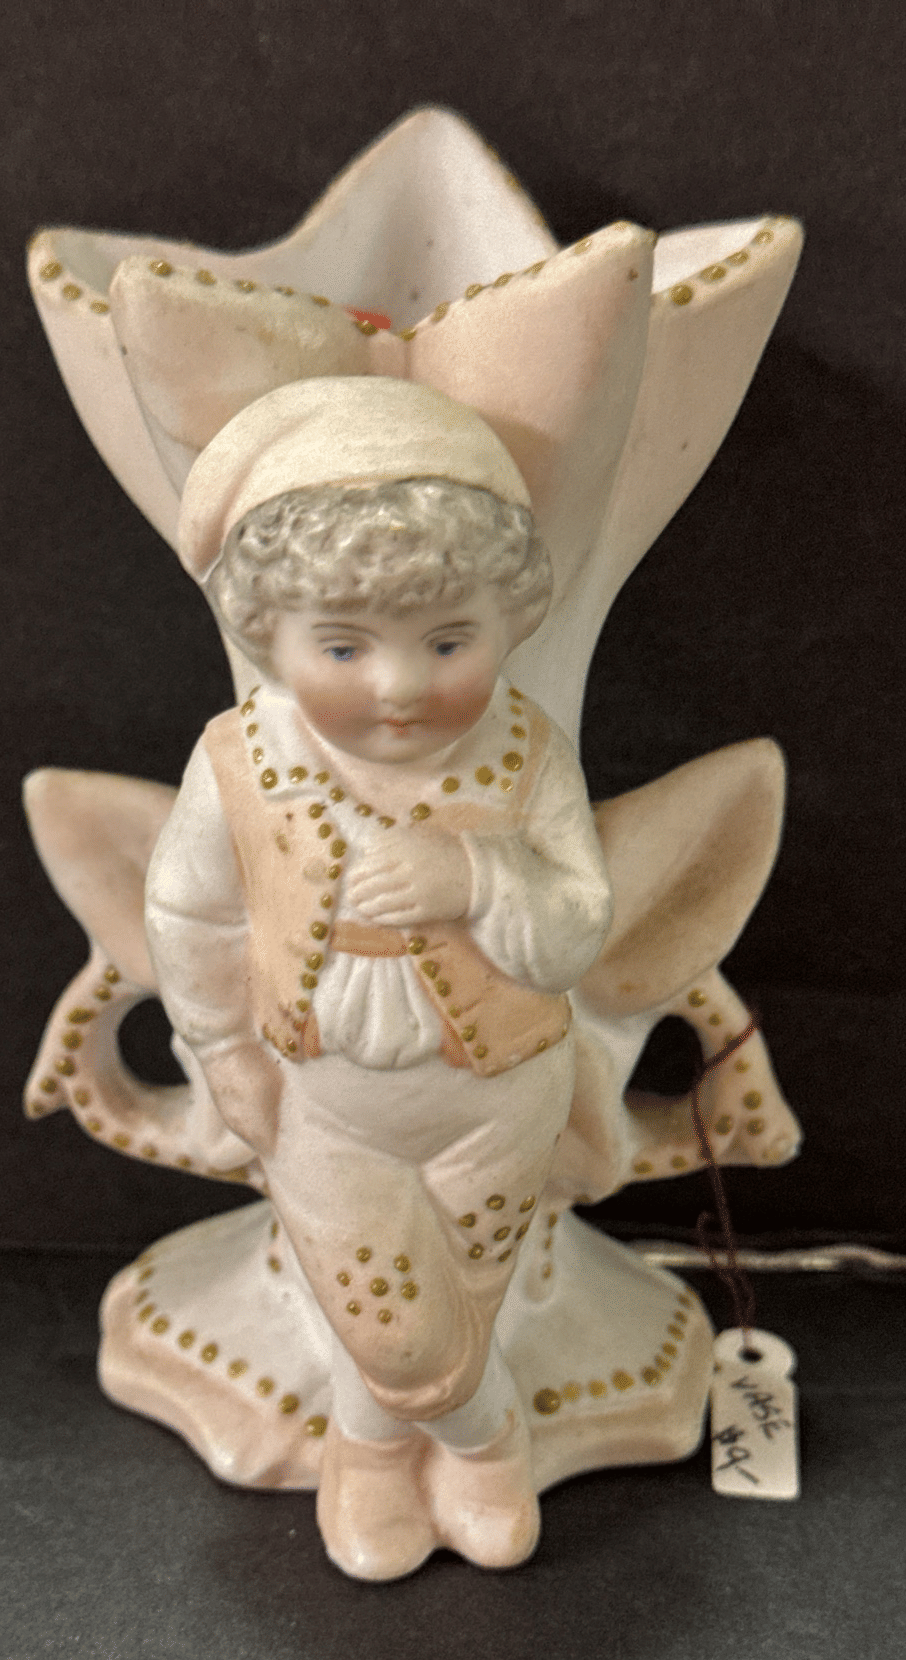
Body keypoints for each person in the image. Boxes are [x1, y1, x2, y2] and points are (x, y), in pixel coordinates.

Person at [145, 377, 612, 1579]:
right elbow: (189, 913)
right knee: (394, 1325)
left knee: (471, 1287)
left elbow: (574, 931)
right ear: (269, 633)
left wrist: (476, 876)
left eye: (447, 642)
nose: (399, 686)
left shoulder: (525, 752)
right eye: (343, 647)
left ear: (507, 621)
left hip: (499, 1091)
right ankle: (482, 1438)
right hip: (324, 1103)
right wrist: (223, 1052)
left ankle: (384, 1458)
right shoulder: (238, 760)